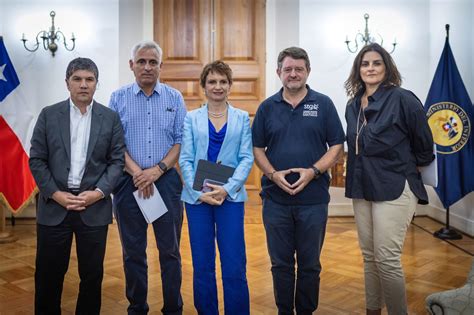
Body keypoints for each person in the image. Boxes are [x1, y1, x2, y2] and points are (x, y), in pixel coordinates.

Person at [252, 47, 345, 314]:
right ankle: (284, 310)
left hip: (313, 199)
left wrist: (313, 171)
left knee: (310, 264)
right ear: (279, 72)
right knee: (280, 264)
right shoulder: (267, 107)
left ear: (308, 71)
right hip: (275, 199)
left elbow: (337, 145)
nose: (293, 74)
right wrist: (272, 174)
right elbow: (257, 147)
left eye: (299, 69)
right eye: (288, 69)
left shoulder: (323, 104)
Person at [29, 57, 125, 314]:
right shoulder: (49, 115)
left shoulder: (110, 117)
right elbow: (37, 160)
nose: (84, 84)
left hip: (93, 207)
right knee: (48, 277)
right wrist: (55, 194)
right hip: (54, 207)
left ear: (96, 84)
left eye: (89, 79)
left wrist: (98, 193)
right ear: (67, 83)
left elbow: (116, 162)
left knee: (92, 278)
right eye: (77, 79)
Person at [344, 43, 434, 315]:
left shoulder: (403, 98)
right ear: (358, 70)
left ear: (387, 67)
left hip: (395, 185)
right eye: (365, 64)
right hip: (362, 185)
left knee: (387, 258)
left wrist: (411, 167)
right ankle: (373, 310)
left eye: (376, 63)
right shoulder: (352, 105)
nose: (370, 68)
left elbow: (424, 144)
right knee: (370, 257)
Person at [109, 40, 187, 315]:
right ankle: (137, 307)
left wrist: (157, 170)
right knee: (133, 253)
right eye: (141, 61)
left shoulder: (174, 98)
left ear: (160, 66)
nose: (147, 67)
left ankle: (173, 308)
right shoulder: (118, 98)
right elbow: (115, 144)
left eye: (153, 62)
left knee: (170, 252)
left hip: (165, 183)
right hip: (128, 183)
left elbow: (180, 141)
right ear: (131, 65)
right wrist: (139, 173)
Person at [179, 61, 254, 315]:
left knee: (234, 263)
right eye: (212, 81)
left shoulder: (242, 118)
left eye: (223, 81)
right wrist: (198, 192)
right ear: (203, 86)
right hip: (197, 201)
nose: (218, 86)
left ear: (230, 86)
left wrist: (228, 189)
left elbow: (246, 158)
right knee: (202, 264)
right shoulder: (191, 118)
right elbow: (185, 159)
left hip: (230, 199)